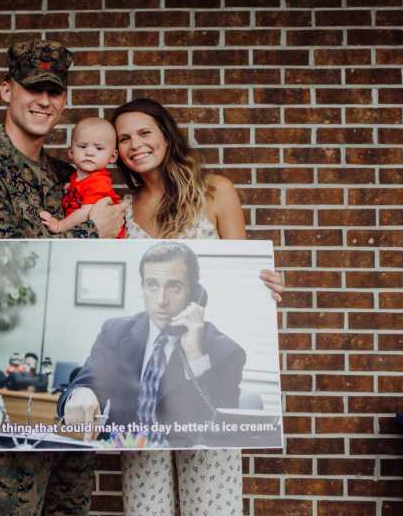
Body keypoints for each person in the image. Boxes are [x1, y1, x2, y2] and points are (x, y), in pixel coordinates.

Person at [0, 39, 125, 516]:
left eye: (54, 92)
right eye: (32, 88)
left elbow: (136, 239)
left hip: (75, 378)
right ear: (7, 90)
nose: (44, 100)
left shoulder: (69, 175)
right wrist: (89, 230)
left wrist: (248, 282)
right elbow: (3, 277)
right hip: (14, 381)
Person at [87, 98, 282, 516]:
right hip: (146, 394)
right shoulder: (122, 210)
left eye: (144, 133)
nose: (135, 145)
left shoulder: (216, 191)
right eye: (123, 139)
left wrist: (263, 286)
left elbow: (239, 274)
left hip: (202, 378)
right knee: (146, 509)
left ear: (165, 133)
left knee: (211, 508)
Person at [59, 241, 247, 447]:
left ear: (195, 293)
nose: (160, 300)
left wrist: (195, 355)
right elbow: (79, 387)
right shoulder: (115, 333)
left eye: (174, 287)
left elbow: (225, 431)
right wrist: (80, 394)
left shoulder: (226, 352)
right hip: (119, 455)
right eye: (152, 284)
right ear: (142, 287)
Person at [39, 117, 126, 237]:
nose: (89, 152)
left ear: (112, 156)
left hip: (107, 241)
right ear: (71, 152)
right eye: (83, 146)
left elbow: (86, 214)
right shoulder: (75, 177)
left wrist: (60, 226)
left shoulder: (99, 182)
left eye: (99, 148)